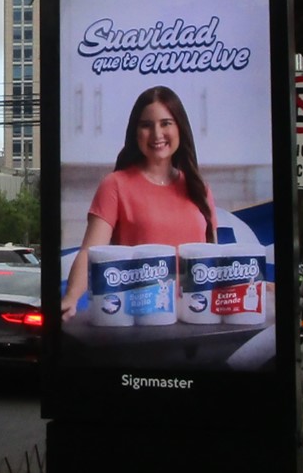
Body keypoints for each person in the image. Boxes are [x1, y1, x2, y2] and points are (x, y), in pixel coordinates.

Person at [61, 86, 217, 320]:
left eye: (166, 123)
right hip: (139, 319)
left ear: (180, 128)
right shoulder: (115, 185)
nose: (157, 134)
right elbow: (89, 253)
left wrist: (256, 282)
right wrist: (71, 297)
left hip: (196, 318)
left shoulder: (200, 189)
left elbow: (215, 262)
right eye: (146, 125)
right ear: (135, 133)